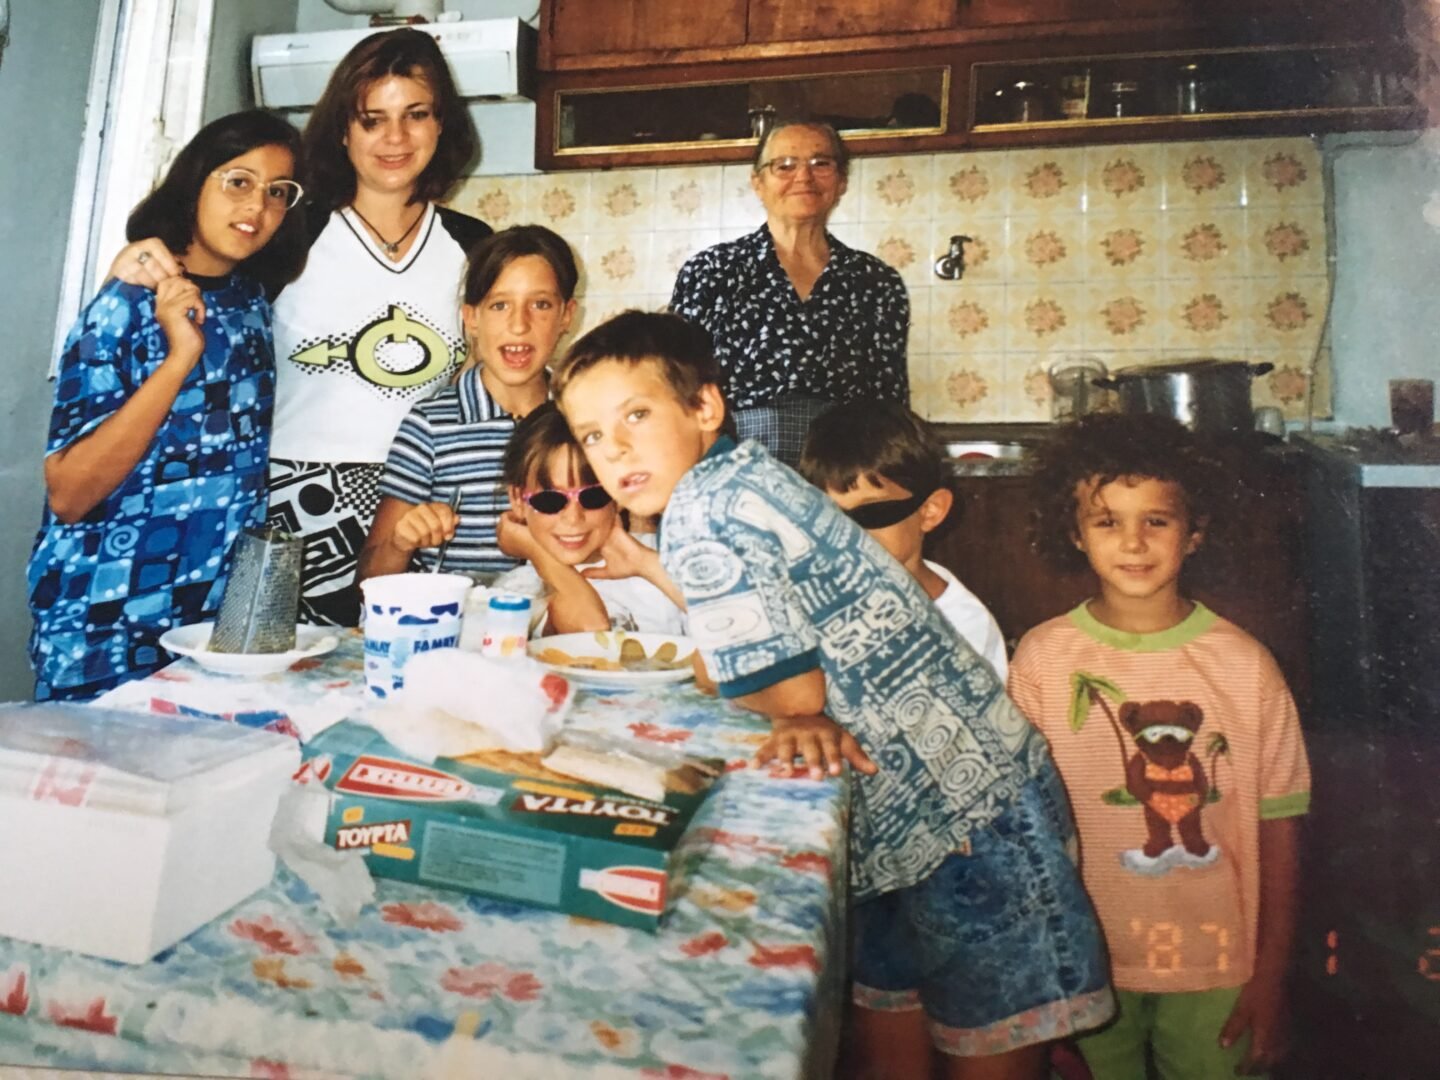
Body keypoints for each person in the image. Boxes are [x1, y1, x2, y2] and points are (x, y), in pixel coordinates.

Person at [553, 311, 1113, 1080]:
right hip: (930, 806)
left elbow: (790, 688)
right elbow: (760, 629)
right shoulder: (738, 478)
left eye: (636, 416)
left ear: (705, 408)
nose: (612, 449)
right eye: (590, 434)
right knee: (909, 1014)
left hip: (965, 820)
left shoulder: (701, 512)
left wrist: (788, 708)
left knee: (987, 1043)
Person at [107, 28, 491, 625]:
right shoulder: (289, 231)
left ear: (442, 126)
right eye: (372, 119)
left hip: (424, 502)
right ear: (343, 129)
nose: (395, 138)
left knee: (422, 689)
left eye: (416, 115)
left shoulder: (473, 246)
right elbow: (196, 287)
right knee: (290, 696)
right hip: (294, 504)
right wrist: (138, 261)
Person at [1009, 414, 1311, 1079]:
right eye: (1108, 521)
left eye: (1157, 520)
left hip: (1219, 963)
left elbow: (1281, 828)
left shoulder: (1245, 666)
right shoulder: (1041, 659)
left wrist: (1272, 977)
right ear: (1075, 534)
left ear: (1195, 531)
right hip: (1084, 964)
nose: (1134, 543)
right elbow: (1021, 828)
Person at [28, 110, 308, 701]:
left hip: (212, 630)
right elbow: (70, 493)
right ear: (195, 183)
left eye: (277, 192)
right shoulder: (125, 306)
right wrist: (179, 356)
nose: (257, 207)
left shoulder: (253, 303)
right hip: (103, 624)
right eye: (238, 181)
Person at [668, 119, 909, 467]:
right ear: (758, 183)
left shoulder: (876, 282)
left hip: (845, 468)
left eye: (821, 164)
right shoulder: (711, 271)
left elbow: (891, 405)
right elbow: (678, 387)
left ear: (841, 181)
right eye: (784, 166)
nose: (803, 177)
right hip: (735, 463)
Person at [356, 225, 577, 582]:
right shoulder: (430, 425)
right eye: (500, 305)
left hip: (561, 626)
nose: (519, 325)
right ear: (471, 318)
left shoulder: (583, 420)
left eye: (540, 305)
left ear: (566, 315)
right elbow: (368, 582)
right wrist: (402, 541)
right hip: (458, 628)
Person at [799, 400, 1008, 680]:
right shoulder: (808, 601)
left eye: (872, 512)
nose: (848, 535)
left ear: (930, 511)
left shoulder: (963, 627)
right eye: (829, 518)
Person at [486, 402, 685, 635]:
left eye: (593, 496)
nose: (573, 518)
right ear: (519, 499)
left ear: (620, 494)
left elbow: (730, 615)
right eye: (551, 501)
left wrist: (642, 562)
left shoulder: (668, 557)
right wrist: (536, 551)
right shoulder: (518, 592)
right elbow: (591, 627)